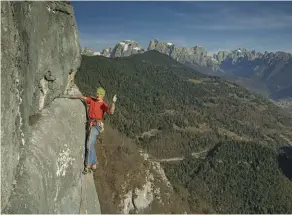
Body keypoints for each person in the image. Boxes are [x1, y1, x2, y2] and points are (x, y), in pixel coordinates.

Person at [69, 87, 117, 174]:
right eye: (98, 93)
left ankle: (87, 165)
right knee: (91, 144)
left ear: (103, 95)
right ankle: (94, 162)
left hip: (96, 126)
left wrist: (113, 103)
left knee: (88, 145)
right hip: (91, 124)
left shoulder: (104, 104)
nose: (98, 95)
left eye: (100, 94)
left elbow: (111, 112)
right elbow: (84, 98)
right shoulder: (92, 100)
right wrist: (73, 96)